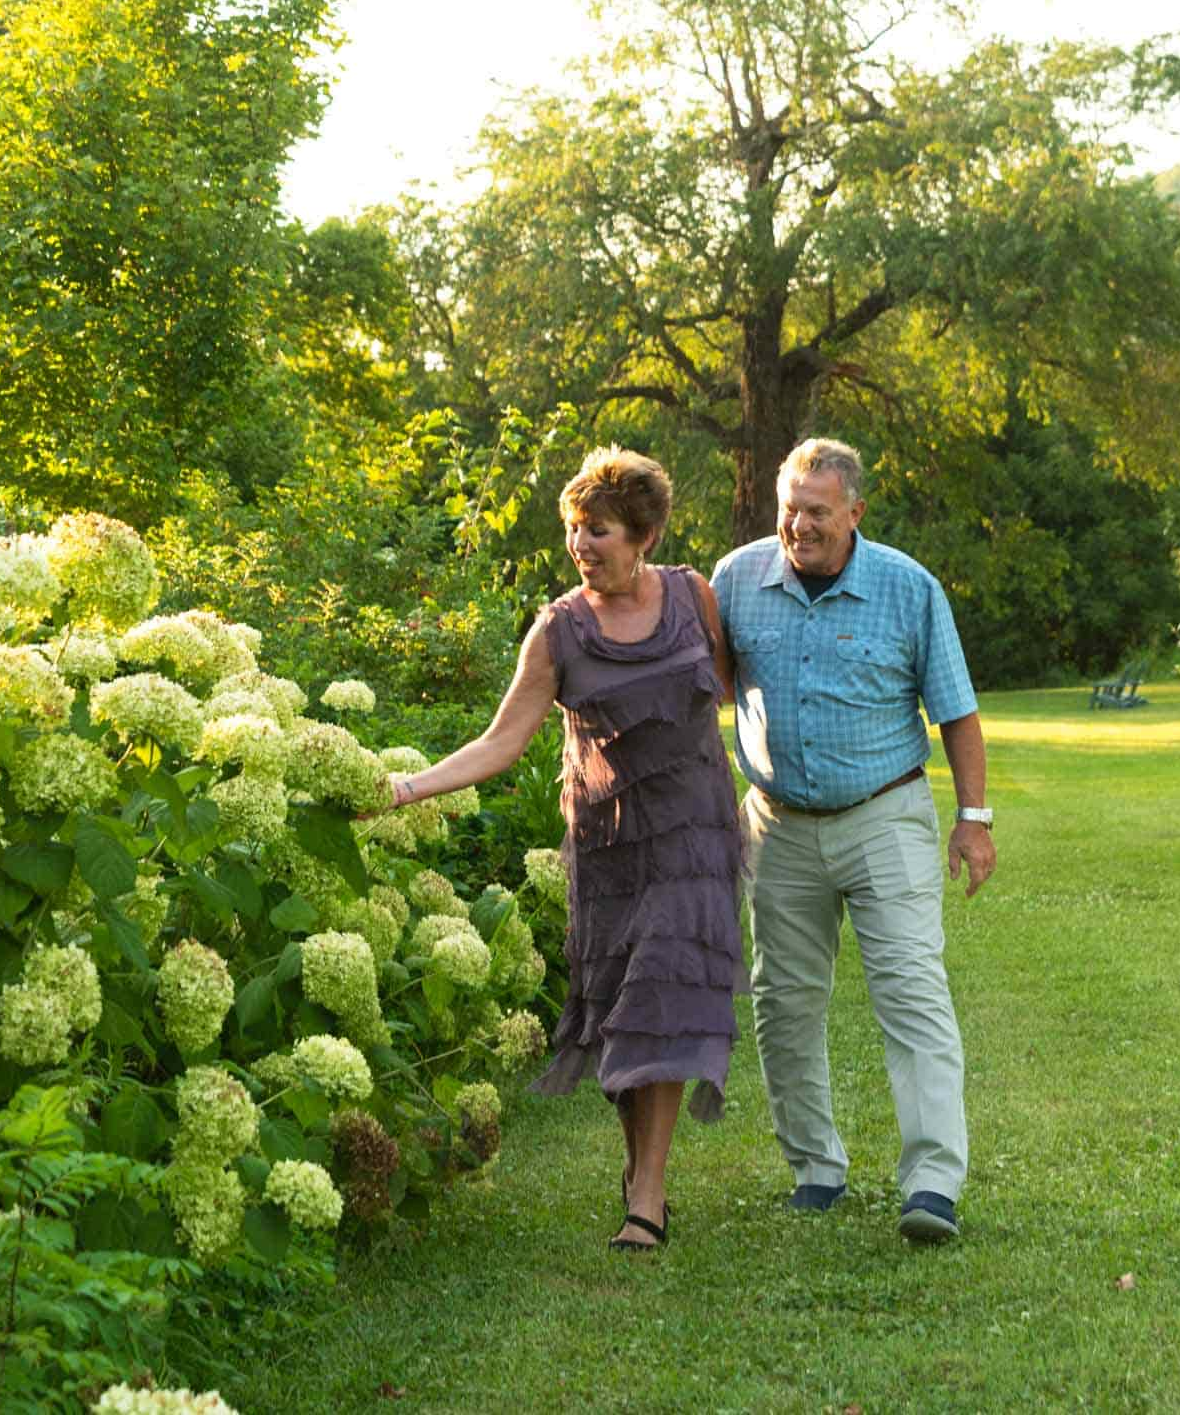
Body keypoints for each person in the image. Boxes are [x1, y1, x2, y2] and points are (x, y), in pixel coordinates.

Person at [388, 446, 743, 1252]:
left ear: (645, 534)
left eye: (602, 531)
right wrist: (406, 788)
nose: (584, 546)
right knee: (625, 1010)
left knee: (667, 993)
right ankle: (638, 1168)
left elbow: (722, 687)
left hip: (692, 837)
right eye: (577, 530)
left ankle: (646, 1196)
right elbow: (500, 742)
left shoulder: (694, 597)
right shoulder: (559, 632)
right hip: (611, 845)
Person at [708, 437, 997, 1245]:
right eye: (788, 510)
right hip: (778, 824)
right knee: (784, 1001)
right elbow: (716, 686)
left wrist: (974, 822)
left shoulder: (908, 587)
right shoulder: (735, 580)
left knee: (911, 991)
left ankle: (933, 1183)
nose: (798, 526)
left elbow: (957, 712)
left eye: (817, 513)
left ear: (855, 513)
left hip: (884, 814)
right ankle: (815, 1169)